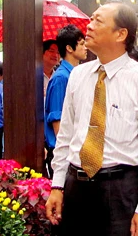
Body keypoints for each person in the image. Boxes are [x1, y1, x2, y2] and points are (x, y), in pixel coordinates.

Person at [46, 2, 138, 236]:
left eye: (97, 21)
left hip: (120, 189)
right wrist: (58, 185)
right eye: (90, 20)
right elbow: (66, 137)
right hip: (75, 185)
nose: (88, 27)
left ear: (121, 34)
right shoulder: (79, 75)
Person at [44, 24, 87, 179]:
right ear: (69, 48)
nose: (85, 47)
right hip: (65, 155)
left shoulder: (76, 75)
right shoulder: (62, 78)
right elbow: (58, 121)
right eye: (81, 44)